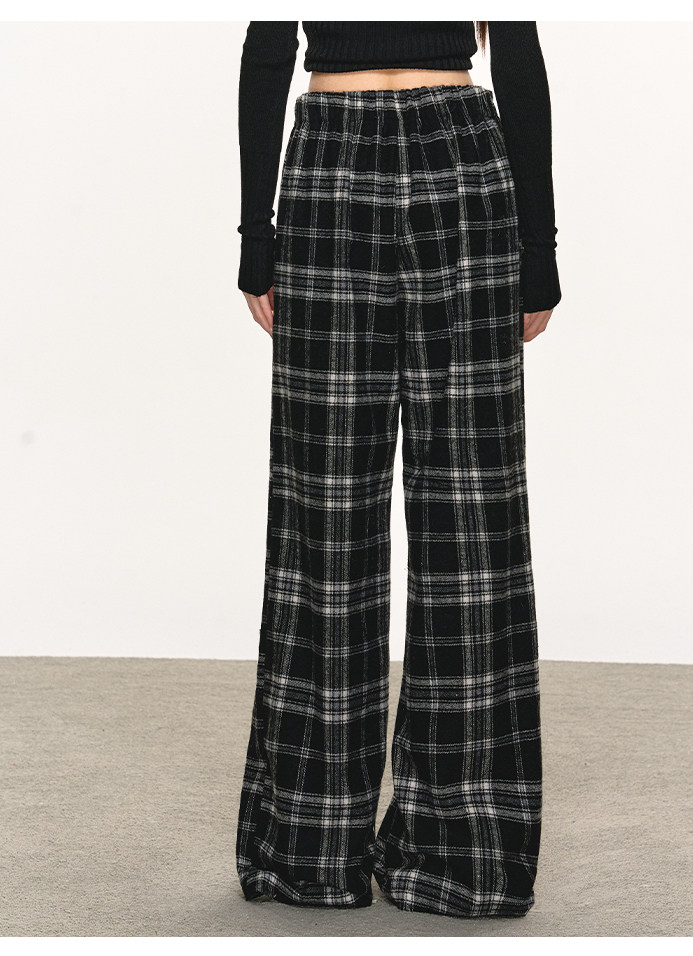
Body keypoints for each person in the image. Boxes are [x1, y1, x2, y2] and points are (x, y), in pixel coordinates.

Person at [235, 21, 561, 919]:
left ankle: (463, 848)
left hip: (460, 150)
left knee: (472, 514)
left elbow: (517, 48)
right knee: (324, 510)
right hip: (330, 157)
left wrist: (540, 246)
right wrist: (255, 231)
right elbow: (268, 43)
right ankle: (313, 841)